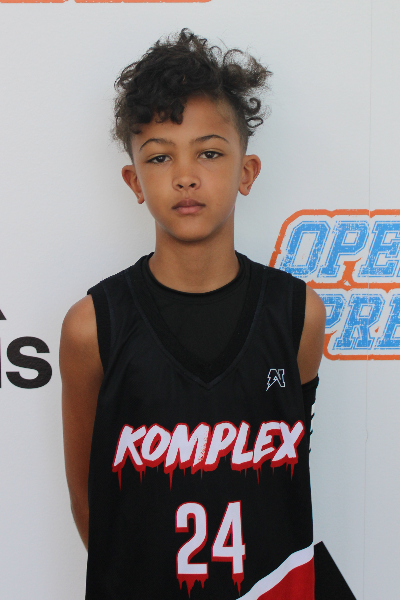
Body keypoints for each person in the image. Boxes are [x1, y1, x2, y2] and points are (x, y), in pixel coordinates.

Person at [60, 29, 326, 600]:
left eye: (209, 152)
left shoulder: (297, 314)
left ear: (246, 172)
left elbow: (285, 489)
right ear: (134, 180)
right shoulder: (93, 326)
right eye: (160, 157)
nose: (185, 175)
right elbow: (89, 500)